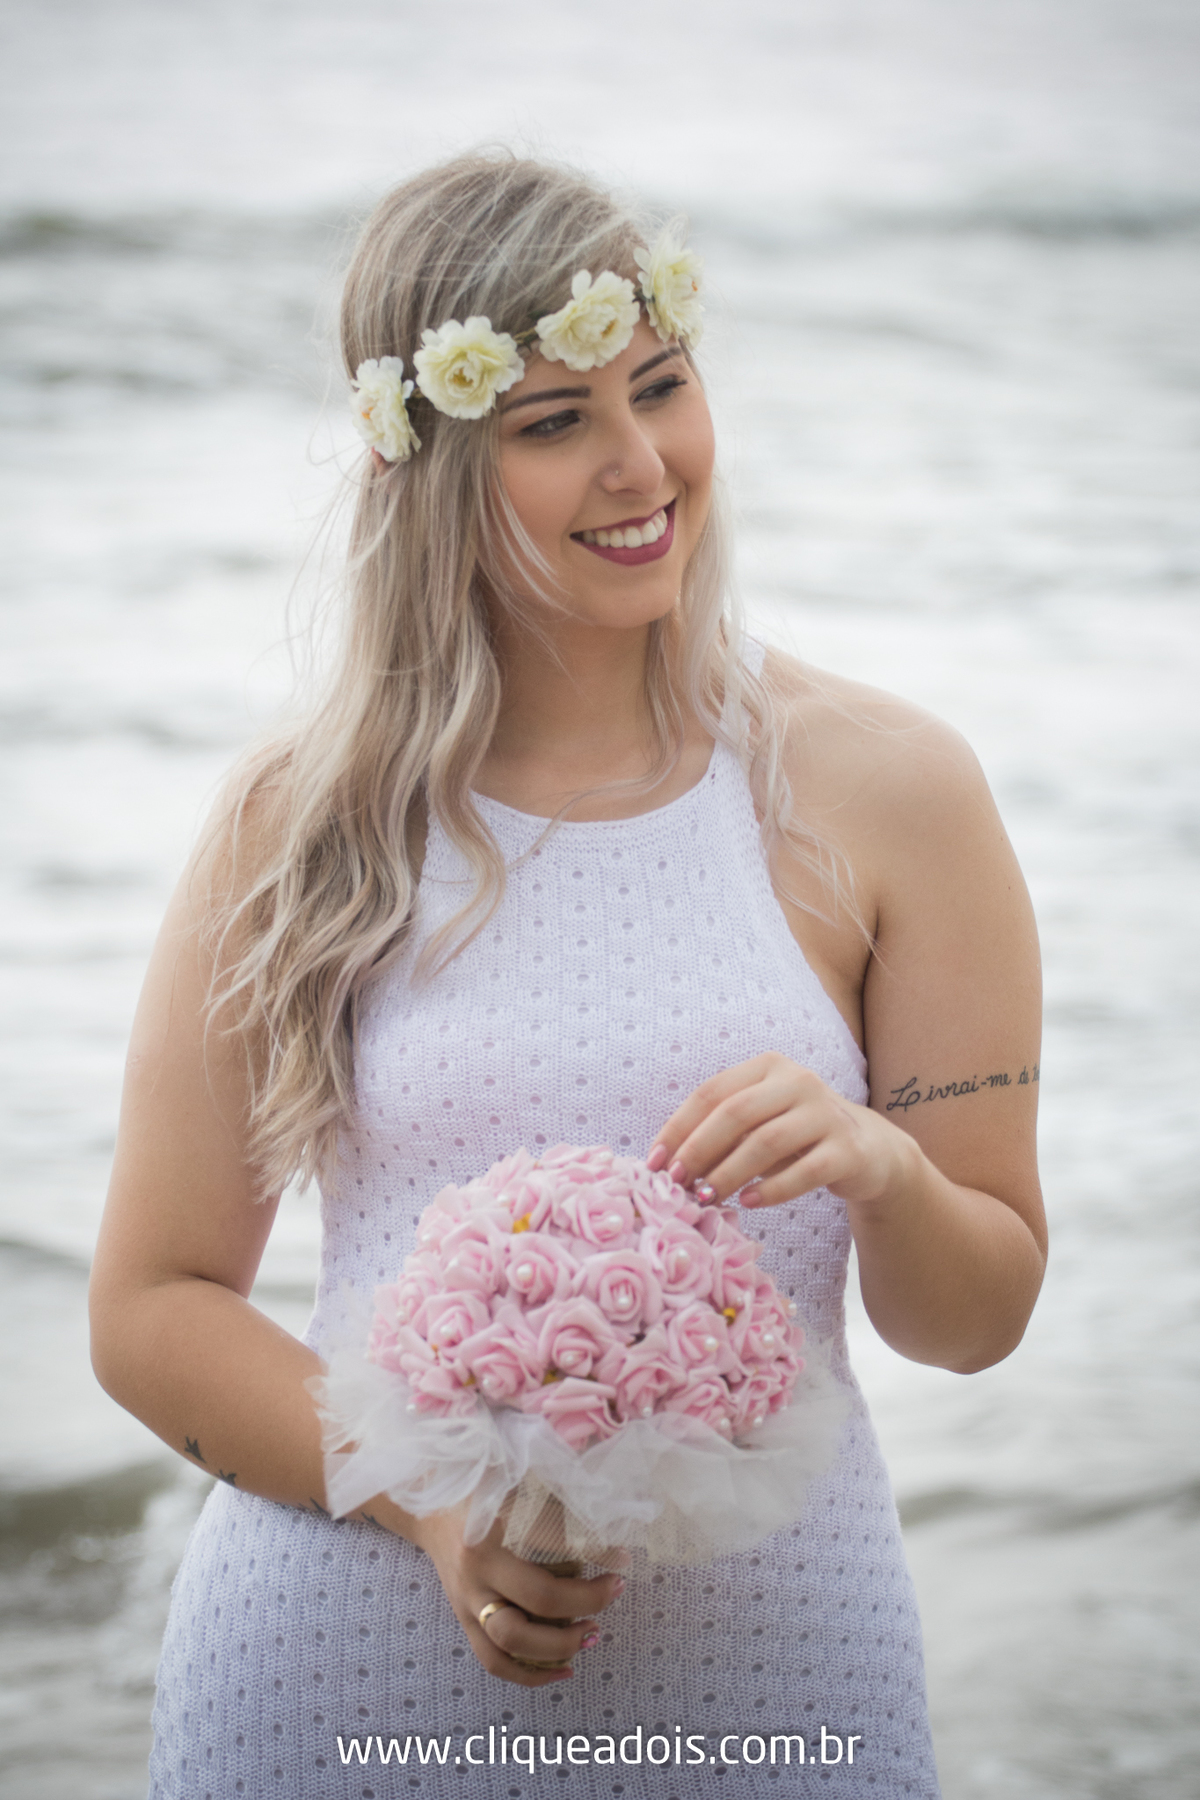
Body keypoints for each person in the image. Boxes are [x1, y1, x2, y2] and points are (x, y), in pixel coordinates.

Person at [89, 151, 1046, 1799]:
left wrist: (883, 1169)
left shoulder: (892, 789)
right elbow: (151, 1306)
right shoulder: (297, 824)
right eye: (553, 423)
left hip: (779, 1690)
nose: (640, 465)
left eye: (661, 387)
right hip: (334, 1682)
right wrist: (431, 1504)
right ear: (427, 468)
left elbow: (977, 1320)